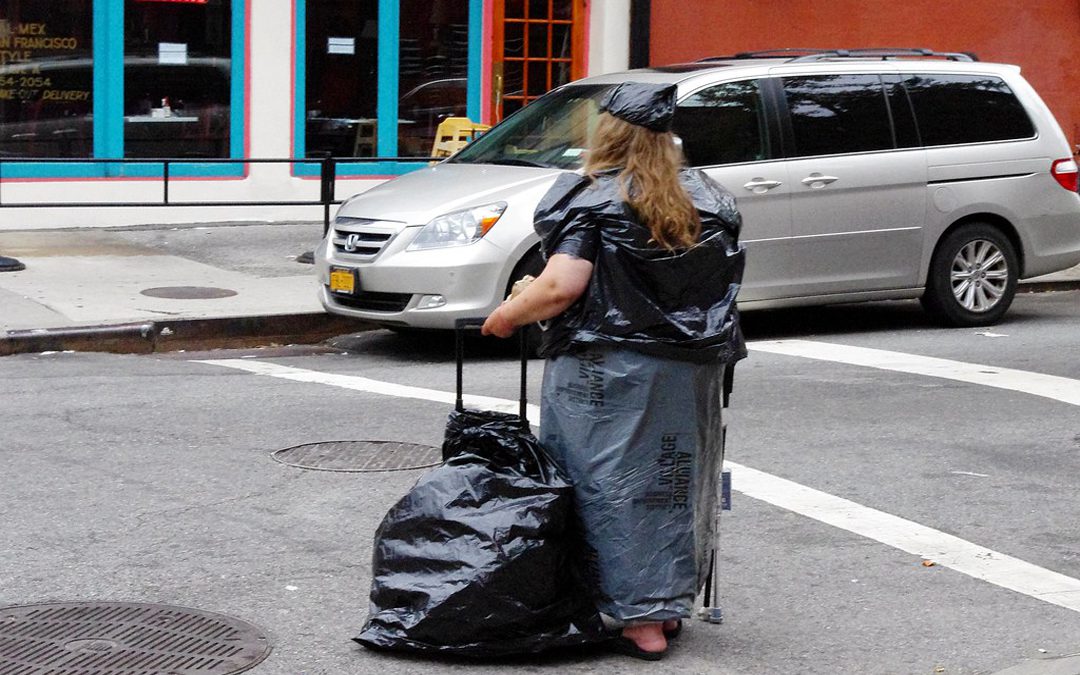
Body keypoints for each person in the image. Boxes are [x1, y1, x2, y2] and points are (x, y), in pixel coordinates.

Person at [482, 81, 746, 660]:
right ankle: (666, 606)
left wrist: (505, 316)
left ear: (611, 135)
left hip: (608, 369)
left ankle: (637, 619)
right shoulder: (710, 199)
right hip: (690, 369)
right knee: (676, 480)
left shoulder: (596, 198)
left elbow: (560, 287)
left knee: (604, 482)